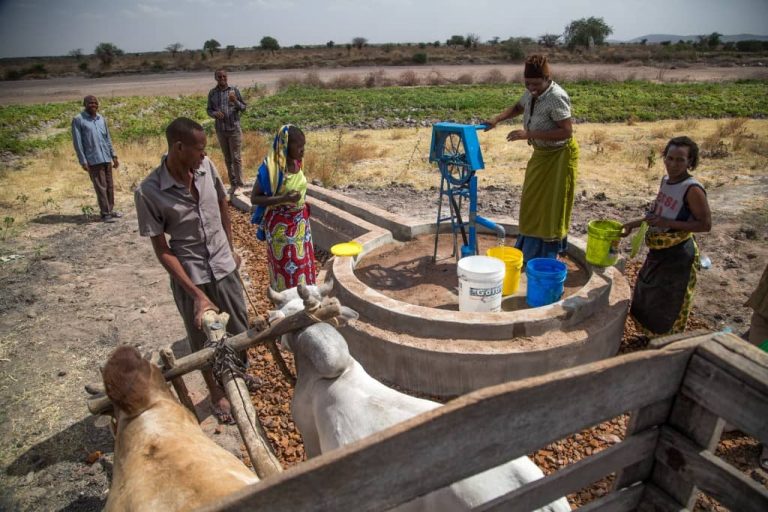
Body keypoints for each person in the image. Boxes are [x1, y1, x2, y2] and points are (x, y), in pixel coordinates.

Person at [134, 117, 248, 424]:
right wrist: (196, 295)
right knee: (202, 341)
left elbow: (223, 203)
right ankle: (217, 393)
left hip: (223, 265)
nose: (204, 154)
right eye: (199, 149)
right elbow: (162, 249)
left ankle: (238, 377)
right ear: (178, 147)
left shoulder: (206, 167)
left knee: (239, 327)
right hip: (191, 274)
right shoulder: (148, 191)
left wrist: (230, 246)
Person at [483, 54, 579, 263]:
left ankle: (546, 254)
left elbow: (566, 132)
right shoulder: (531, 93)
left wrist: (529, 134)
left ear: (547, 79)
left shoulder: (556, 97)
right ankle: (529, 248)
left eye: (536, 84)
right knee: (531, 200)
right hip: (541, 154)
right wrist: (497, 119)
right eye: (527, 84)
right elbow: (519, 106)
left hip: (559, 156)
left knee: (550, 205)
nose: (531, 88)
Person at [622, 136, 712, 336]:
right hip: (660, 250)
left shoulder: (692, 189)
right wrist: (633, 225)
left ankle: (665, 344)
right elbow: (658, 215)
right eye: (669, 158)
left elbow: (705, 224)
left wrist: (668, 224)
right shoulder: (667, 181)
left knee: (670, 302)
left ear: (691, 162)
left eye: (680, 160)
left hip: (678, 254)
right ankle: (649, 338)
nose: (673, 164)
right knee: (651, 293)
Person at [250, 124, 317, 291]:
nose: (302, 150)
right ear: (286, 146)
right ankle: (286, 305)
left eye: (304, 146)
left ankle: (306, 303)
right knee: (286, 267)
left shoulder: (297, 162)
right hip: (281, 228)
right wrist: (284, 198)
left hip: (300, 223)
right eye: (298, 146)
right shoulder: (271, 169)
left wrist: (302, 203)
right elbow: (255, 198)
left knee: (303, 263)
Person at [71, 95, 121, 223]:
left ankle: (110, 209)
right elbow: (78, 142)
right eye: (90, 103)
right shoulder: (78, 120)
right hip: (93, 159)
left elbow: (107, 138)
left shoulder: (101, 119)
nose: (93, 105)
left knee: (110, 185)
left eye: (95, 103)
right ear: (85, 104)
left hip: (106, 157)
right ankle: (105, 214)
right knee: (101, 186)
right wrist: (83, 161)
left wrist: (113, 155)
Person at [207, 69, 247, 195]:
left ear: (227, 77)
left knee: (236, 157)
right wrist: (214, 113)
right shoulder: (212, 93)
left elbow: (244, 108)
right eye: (219, 77)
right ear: (216, 78)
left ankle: (240, 184)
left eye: (224, 76)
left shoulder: (234, 90)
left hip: (234, 128)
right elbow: (208, 109)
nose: (222, 78)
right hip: (221, 129)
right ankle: (233, 184)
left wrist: (235, 100)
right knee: (228, 158)